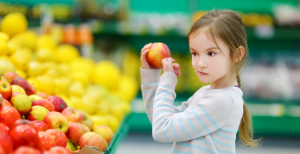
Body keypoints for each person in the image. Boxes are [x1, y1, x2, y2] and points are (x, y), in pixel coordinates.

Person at [140, 9, 261, 154]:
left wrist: (167, 82)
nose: (200, 63)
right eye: (194, 53)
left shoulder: (222, 101)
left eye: (211, 53)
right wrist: (152, 76)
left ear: (237, 54)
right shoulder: (206, 92)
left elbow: (162, 130)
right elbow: (159, 119)